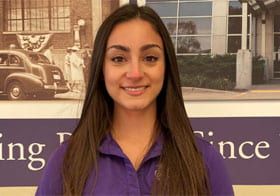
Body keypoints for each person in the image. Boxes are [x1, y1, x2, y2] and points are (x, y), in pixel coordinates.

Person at [36, 4, 234, 196]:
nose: (135, 73)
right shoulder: (66, 162)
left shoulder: (204, 160)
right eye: (118, 59)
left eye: (150, 58)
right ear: (101, 70)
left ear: (166, 67)